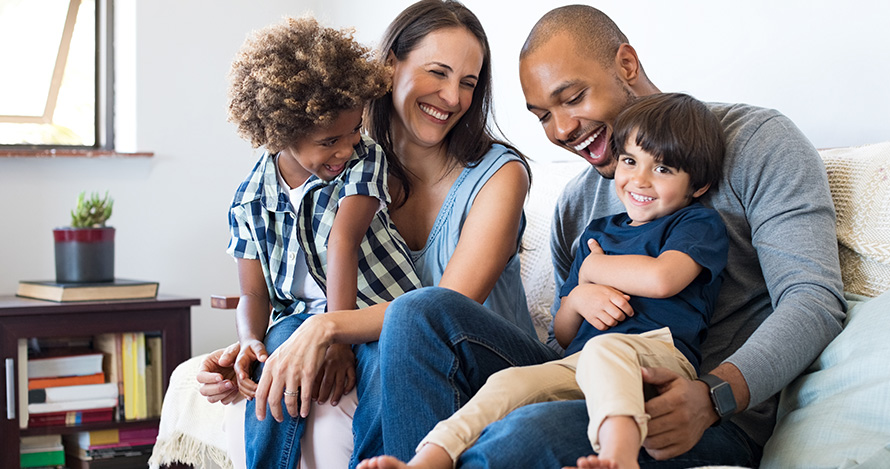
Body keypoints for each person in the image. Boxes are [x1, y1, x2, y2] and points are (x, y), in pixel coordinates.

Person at [374, 4, 846, 468]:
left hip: (698, 411)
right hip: (587, 378)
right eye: (542, 116)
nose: (561, 130)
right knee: (420, 312)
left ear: (626, 64)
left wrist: (711, 397)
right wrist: (579, 297)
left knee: (524, 434)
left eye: (573, 98)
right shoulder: (577, 203)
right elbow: (567, 337)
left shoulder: (757, 142)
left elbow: (813, 299)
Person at [197, 1, 552, 467]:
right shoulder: (342, 159)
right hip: (383, 346)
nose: (452, 97)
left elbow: (438, 315)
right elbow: (290, 281)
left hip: (477, 362)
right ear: (388, 68)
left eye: (468, 82)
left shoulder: (499, 176)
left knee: (379, 361)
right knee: (290, 390)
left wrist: (327, 328)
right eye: (437, 73)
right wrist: (256, 347)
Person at [360, 92, 728, 469]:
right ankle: (425, 461)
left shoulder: (695, 223)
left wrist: (591, 271)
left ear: (697, 186)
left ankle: (619, 457)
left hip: (656, 358)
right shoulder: (598, 232)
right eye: (630, 161)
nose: (640, 180)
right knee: (507, 385)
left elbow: (663, 279)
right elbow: (564, 333)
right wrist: (578, 300)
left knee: (607, 351)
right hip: (581, 362)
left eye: (663, 169)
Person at [223, 16, 423, 468]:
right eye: (330, 140)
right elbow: (253, 291)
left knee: (383, 370)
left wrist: (337, 339)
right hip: (298, 318)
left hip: (378, 310)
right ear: (280, 133)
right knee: (274, 363)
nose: (347, 148)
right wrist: (249, 341)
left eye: (354, 131)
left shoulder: (363, 159)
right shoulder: (250, 199)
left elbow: (343, 242)